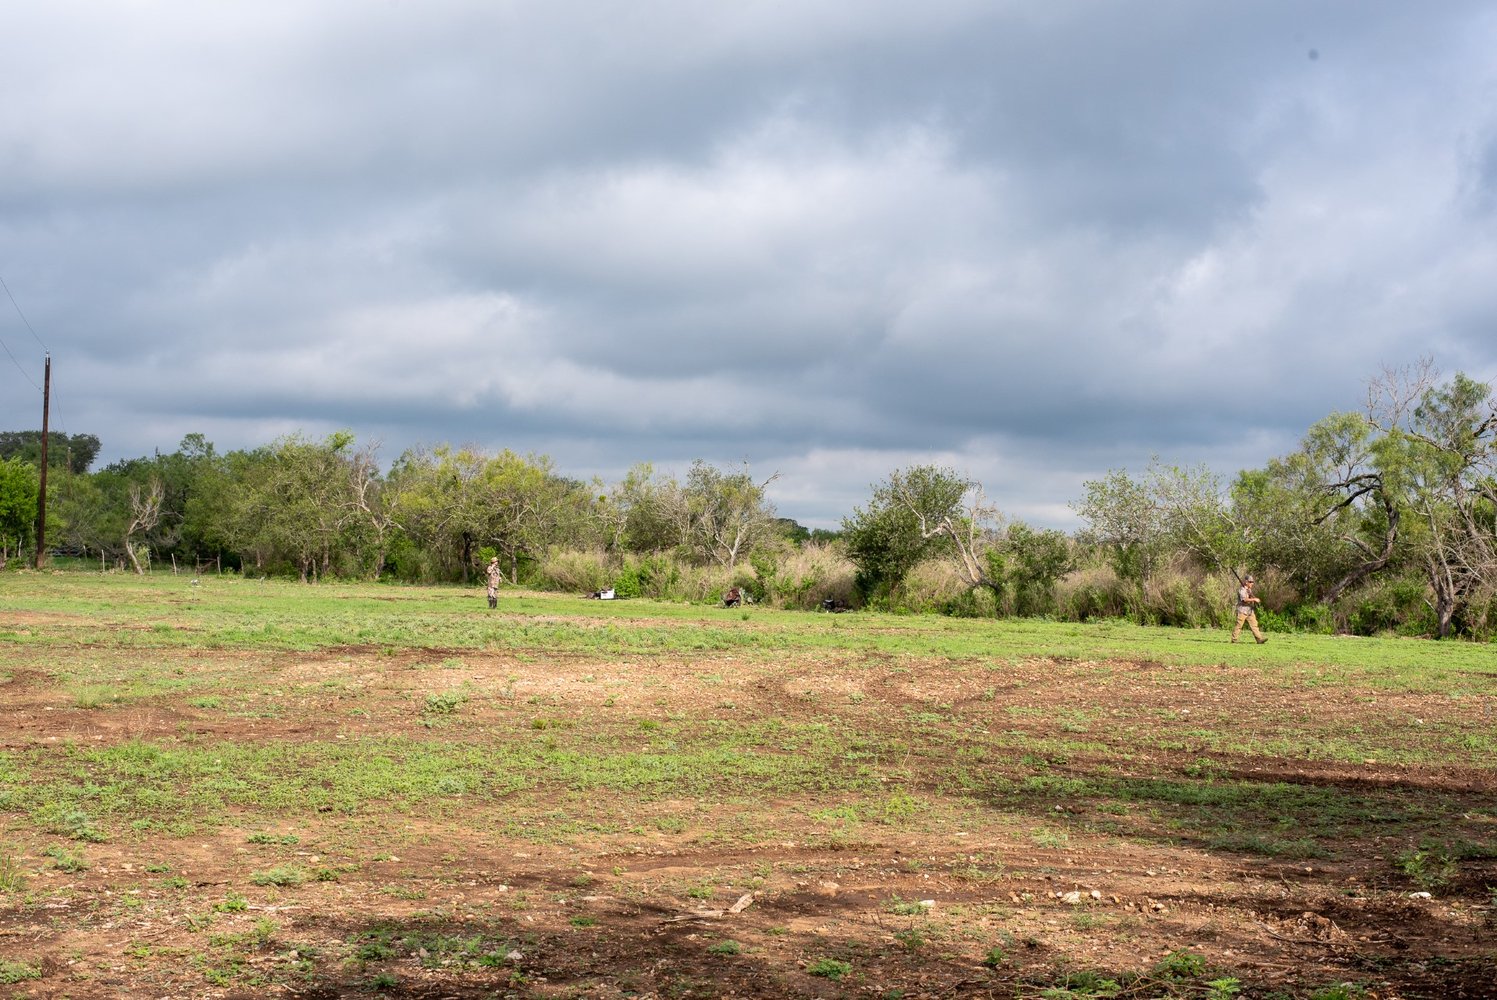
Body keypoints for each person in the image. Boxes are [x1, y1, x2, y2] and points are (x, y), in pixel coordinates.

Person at [1231, 574, 1267, 644]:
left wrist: (1252, 597)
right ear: (1246, 582)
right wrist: (1254, 599)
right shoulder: (1242, 590)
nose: (1252, 583)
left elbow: (1250, 597)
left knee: (1254, 625)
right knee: (1239, 625)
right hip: (1242, 611)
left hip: (1250, 611)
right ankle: (1234, 639)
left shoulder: (1249, 590)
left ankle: (1259, 639)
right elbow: (1244, 599)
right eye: (1250, 582)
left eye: (1252, 582)